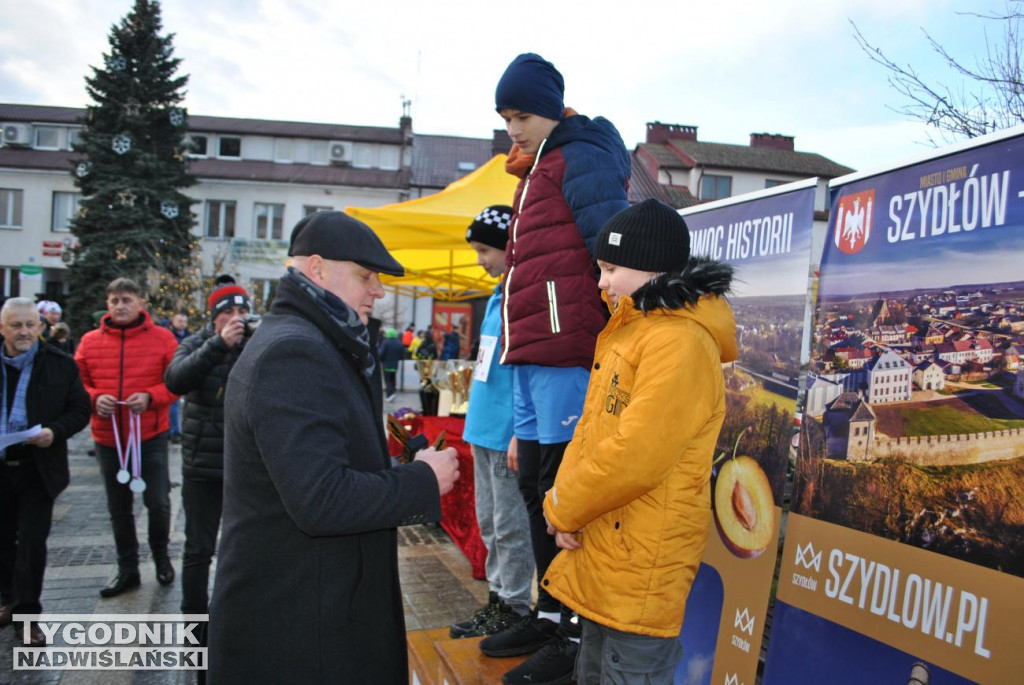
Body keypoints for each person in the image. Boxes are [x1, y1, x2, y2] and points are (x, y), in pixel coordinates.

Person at [207, 210, 461, 684]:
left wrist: (392, 462)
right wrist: (421, 479)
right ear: (318, 270)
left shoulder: (317, 340)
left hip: (313, 609)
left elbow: (316, 467)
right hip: (300, 630)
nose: (379, 290)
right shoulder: (294, 352)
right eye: (366, 276)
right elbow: (321, 500)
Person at [479, 52, 631, 684]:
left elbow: (609, 239)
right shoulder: (533, 166)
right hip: (530, 349)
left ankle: (571, 634)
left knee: (560, 491)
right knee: (532, 487)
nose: (512, 128)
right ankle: (547, 616)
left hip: (565, 347)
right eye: (506, 117)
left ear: (551, 108)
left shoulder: (578, 154)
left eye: (522, 115)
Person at [544, 200, 737, 684]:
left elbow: (636, 456)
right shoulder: (631, 332)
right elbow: (591, 435)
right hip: (608, 544)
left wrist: (564, 507)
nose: (601, 282)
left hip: (644, 556)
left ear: (651, 268)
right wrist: (570, 508)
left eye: (611, 268)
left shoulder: (679, 343)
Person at [450, 206, 534, 640]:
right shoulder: (498, 293)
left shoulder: (522, 296)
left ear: (508, 246)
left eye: (485, 249)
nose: (479, 259)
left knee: (509, 525)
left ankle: (515, 604)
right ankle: (499, 600)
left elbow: (528, 365)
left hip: (506, 433)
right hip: (482, 428)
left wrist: (523, 427)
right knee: (489, 522)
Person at [75, 278, 179, 598]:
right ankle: (128, 568)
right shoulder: (89, 341)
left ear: (140, 303)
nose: (120, 305)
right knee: (118, 508)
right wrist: (94, 398)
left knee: (158, 502)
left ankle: (161, 558)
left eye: (127, 299)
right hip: (108, 439)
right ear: (107, 304)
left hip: (150, 435)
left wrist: (151, 396)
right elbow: (76, 385)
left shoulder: (163, 339)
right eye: (115, 300)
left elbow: (176, 382)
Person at [0, 298, 90, 646]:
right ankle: (7, 598)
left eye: (30, 325)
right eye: (16, 325)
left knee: (32, 543)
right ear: (3, 328)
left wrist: (55, 431)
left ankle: (27, 616)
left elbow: (80, 409)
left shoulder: (60, 365)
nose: (24, 332)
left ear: (40, 327)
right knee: (3, 539)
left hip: (37, 467)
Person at [164, 283, 252, 622]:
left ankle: (234, 618)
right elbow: (175, 380)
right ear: (214, 317)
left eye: (242, 313)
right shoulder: (197, 343)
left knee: (241, 548)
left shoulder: (255, 345)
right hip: (202, 466)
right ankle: (194, 622)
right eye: (227, 313)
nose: (236, 320)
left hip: (243, 467)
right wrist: (219, 345)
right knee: (198, 549)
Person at [166, 312, 191, 445]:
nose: (182, 324)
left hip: (186, 373)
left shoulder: (189, 337)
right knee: (173, 404)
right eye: (179, 321)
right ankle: (173, 431)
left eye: (184, 321)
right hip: (172, 372)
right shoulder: (168, 336)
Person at [378, 327, 404, 402]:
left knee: (387, 380)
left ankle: (390, 394)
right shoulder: (398, 343)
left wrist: (380, 359)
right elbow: (402, 355)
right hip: (395, 365)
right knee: (393, 379)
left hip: (386, 365)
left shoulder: (385, 343)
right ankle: (393, 392)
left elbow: (381, 354)